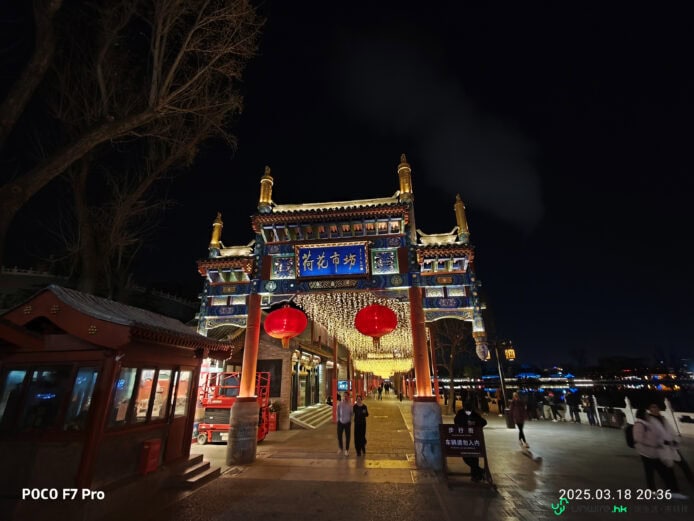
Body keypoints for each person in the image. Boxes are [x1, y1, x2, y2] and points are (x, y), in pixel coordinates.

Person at [633, 408, 687, 499]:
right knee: (658, 472)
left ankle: (668, 490)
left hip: (653, 453)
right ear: (642, 415)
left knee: (655, 472)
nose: (648, 415)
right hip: (647, 453)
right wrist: (653, 445)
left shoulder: (647, 423)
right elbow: (638, 439)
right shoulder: (639, 425)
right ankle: (670, 491)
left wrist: (665, 441)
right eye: (646, 413)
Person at [647, 403, 693, 484]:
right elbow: (652, 435)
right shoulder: (650, 421)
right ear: (650, 410)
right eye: (653, 408)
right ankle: (672, 484)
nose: (655, 409)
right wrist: (662, 442)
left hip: (672, 445)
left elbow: (671, 430)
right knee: (668, 467)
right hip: (663, 447)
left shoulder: (663, 418)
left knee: (683, 464)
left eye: (656, 407)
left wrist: (675, 440)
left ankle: (691, 479)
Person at [454, 399, 487, 482]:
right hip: (467, 439)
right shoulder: (461, 413)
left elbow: (483, 422)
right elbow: (456, 421)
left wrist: (474, 424)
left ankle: (476, 475)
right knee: (469, 458)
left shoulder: (474, 415)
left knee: (473, 458)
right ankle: (479, 472)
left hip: (472, 440)